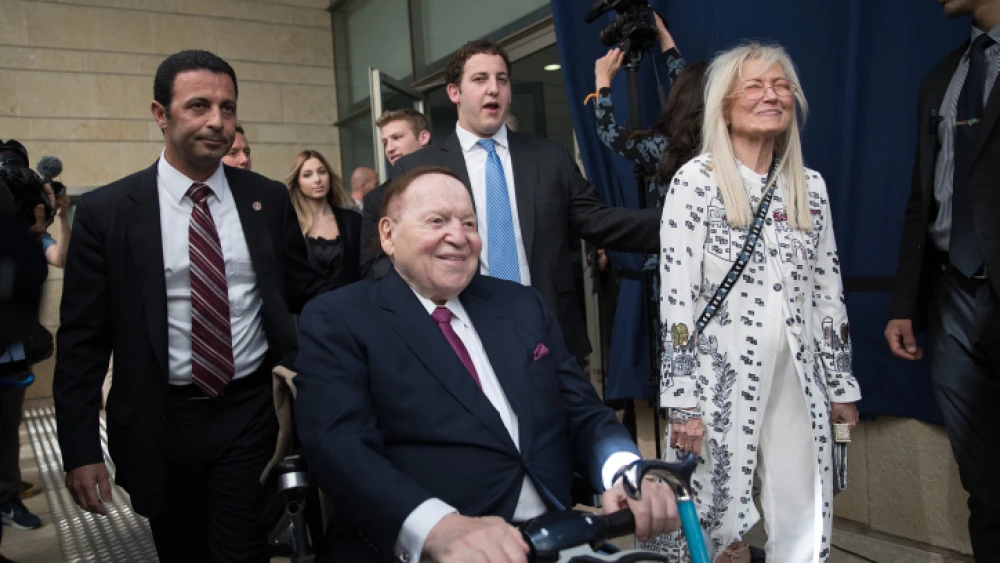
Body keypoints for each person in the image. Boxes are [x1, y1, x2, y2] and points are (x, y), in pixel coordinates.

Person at [295, 165, 680, 563]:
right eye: (436, 221)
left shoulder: (520, 305)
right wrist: (437, 526)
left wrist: (626, 471)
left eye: (469, 223)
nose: (458, 236)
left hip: (556, 539)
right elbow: (339, 447)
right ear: (388, 235)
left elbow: (582, 411)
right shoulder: (340, 318)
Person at [53, 50, 331, 562]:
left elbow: (305, 294)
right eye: (199, 106)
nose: (217, 121)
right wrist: (80, 449)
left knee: (241, 550)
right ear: (160, 114)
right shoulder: (107, 213)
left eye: (228, 108)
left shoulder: (266, 200)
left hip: (250, 414)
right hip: (158, 422)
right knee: (181, 550)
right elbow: (82, 341)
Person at [655, 43, 861, 562]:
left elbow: (828, 294)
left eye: (781, 85)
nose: (771, 95)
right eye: (754, 86)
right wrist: (681, 401)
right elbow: (676, 302)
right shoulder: (695, 183)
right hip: (717, 382)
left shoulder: (810, 187)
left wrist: (841, 385)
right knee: (711, 517)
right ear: (724, 105)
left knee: (803, 509)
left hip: (799, 377)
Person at [361, 40, 661, 360]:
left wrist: (680, 218)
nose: (493, 89)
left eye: (501, 80)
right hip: (458, 337)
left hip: (546, 334)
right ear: (454, 92)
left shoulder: (549, 157)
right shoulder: (418, 167)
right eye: (480, 79)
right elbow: (388, 257)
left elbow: (601, 222)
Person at [884, 1, 1000, 558]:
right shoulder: (941, 78)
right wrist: (904, 304)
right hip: (952, 296)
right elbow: (922, 198)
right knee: (985, 479)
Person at [593, 12, 706, 207]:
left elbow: (608, 132)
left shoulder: (666, 150)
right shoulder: (728, 141)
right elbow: (689, 89)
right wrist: (663, 35)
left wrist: (603, 78)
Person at [360, 108, 432, 278]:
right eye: (385, 142)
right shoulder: (376, 199)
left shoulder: (453, 181)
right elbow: (371, 265)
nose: (389, 148)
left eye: (397, 138)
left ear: (423, 137)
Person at [286, 150, 361, 288]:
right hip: (307, 301)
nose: (317, 179)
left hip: (352, 299)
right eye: (307, 175)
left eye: (321, 172)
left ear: (329, 176)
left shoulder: (353, 221)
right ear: (297, 182)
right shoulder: (290, 225)